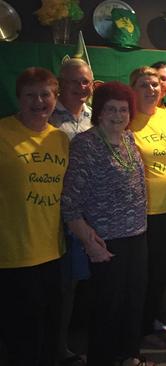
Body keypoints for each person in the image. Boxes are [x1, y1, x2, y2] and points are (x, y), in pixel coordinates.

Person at [61, 81, 150, 366]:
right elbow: (70, 204)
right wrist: (89, 241)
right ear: (98, 111)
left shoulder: (129, 139)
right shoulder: (85, 145)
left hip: (137, 235)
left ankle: (130, 356)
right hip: (106, 240)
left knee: (133, 301)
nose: (118, 115)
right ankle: (102, 359)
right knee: (106, 307)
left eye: (123, 109)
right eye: (111, 109)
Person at [0, 67, 68, 366]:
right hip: (13, 254)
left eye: (45, 94)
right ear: (19, 98)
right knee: (21, 337)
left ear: (55, 98)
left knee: (52, 333)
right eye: (31, 95)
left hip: (54, 251)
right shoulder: (3, 133)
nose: (38, 101)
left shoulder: (60, 139)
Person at [128, 67, 166, 345]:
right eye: (144, 85)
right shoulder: (126, 119)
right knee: (141, 274)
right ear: (133, 88)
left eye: (154, 84)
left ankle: (148, 320)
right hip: (141, 214)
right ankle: (137, 330)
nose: (151, 89)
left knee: (162, 270)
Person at [49, 58, 94, 365]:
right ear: (60, 84)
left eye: (86, 82)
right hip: (57, 212)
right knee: (63, 285)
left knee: (89, 284)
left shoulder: (97, 116)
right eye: (75, 82)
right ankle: (57, 346)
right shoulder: (47, 117)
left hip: (95, 212)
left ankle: (88, 340)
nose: (81, 88)